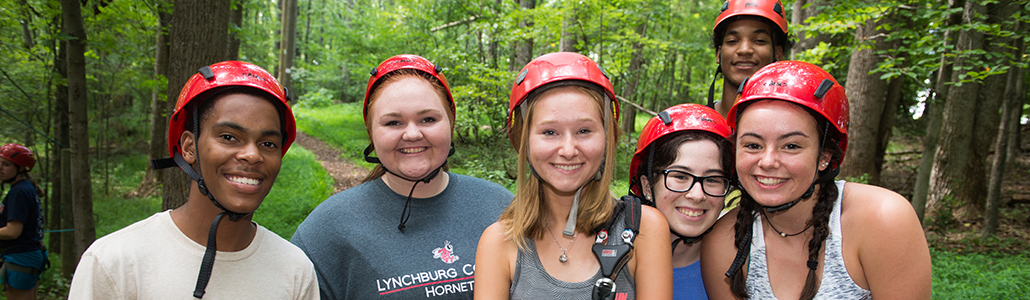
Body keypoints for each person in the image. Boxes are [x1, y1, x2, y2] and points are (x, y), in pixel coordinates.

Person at [68, 61, 319, 299]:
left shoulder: (295, 270)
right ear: (189, 147)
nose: (252, 155)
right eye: (229, 137)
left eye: (268, 144)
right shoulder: (115, 264)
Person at [700, 61, 931, 299]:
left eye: (791, 146)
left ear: (824, 156)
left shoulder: (882, 220)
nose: (768, 161)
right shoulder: (724, 241)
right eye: (753, 145)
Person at [291, 54, 512, 300]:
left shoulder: (500, 207)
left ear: (450, 122)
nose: (412, 134)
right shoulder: (327, 230)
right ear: (371, 132)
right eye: (394, 122)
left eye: (428, 119)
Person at [475, 52, 672, 300]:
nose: (568, 150)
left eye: (583, 130)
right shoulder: (498, 243)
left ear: (607, 138)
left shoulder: (643, 230)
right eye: (549, 132)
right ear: (524, 141)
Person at [627, 103, 733, 300]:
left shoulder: (739, 265)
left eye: (712, 180)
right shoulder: (609, 259)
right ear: (648, 186)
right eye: (681, 176)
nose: (697, 194)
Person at [707, 0, 793, 116]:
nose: (744, 50)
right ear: (719, 53)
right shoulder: (693, 128)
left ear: (778, 52)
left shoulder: (791, 124)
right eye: (732, 41)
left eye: (759, 40)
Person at [0, 143, 46, 300]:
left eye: (6, 164)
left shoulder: (18, 192)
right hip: (29, 255)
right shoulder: (25, 187)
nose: (0, 168)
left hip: (20, 257)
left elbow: (13, 231)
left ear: (21, 168)